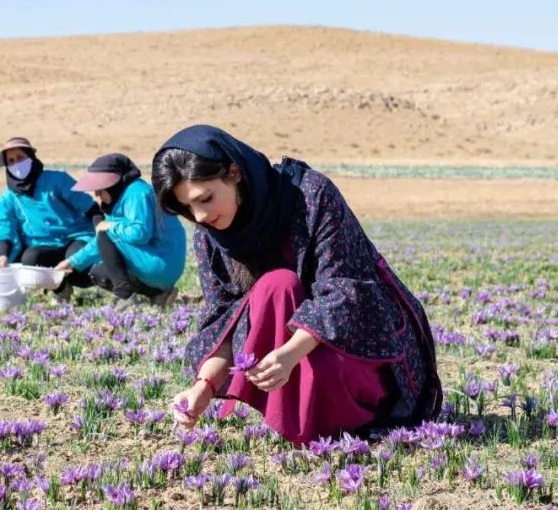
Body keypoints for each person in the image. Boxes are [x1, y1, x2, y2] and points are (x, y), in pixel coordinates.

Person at [152, 125, 441, 445]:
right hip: (276, 367)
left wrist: (289, 354)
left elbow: (344, 291)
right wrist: (203, 387)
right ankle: (293, 412)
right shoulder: (210, 237)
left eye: (205, 198)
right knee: (276, 287)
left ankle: (304, 413)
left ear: (234, 172)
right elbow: (224, 322)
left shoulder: (311, 196)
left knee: (281, 290)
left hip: (354, 346)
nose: (201, 215)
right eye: (187, 209)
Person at [52, 153, 185, 307]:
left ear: (113, 184)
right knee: (100, 273)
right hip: (155, 262)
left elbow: (139, 233)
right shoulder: (122, 197)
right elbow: (100, 243)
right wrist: (71, 263)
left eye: (100, 189)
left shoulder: (137, 193)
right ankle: (159, 294)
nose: (96, 194)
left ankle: (126, 298)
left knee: (105, 235)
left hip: (162, 262)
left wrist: (111, 226)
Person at [0, 137, 101, 299]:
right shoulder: (7, 198)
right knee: (30, 259)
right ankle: (61, 289)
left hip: (76, 236)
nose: (16, 164)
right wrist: (2, 255)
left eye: (20, 158)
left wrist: (99, 224)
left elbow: (87, 205)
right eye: (11, 161)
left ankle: (92, 281)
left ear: (31, 158)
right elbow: (5, 229)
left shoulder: (58, 180)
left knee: (79, 266)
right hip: (43, 244)